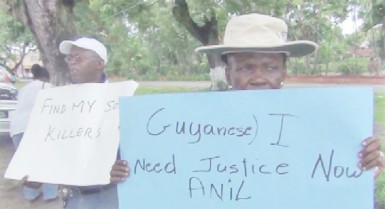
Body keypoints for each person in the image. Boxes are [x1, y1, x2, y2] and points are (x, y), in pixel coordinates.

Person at [110, 12, 385, 192]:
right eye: (246, 67)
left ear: (284, 73)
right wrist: (128, 174)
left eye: (269, 67)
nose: (258, 77)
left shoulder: (319, 122)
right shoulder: (191, 126)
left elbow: (337, 178)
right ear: (228, 73)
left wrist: (366, 164)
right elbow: (162, 174)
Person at [58, 37, 118, 208]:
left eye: (78, 58)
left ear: (99, 63)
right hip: (73, 196)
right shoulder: (59, 103)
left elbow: (137, 150)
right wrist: (35, 171)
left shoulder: (121, 99)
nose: (71, 63)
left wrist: (123, 164)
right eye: (69, 58)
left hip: (109, 195)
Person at [9, 64, 58, 202]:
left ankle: (30, 194)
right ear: (46, 77)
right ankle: (50, 194)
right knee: (47, 160)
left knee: (28, 162)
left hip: (17, 129)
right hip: (36, 128)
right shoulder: (49, 87)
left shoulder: (23, 89)